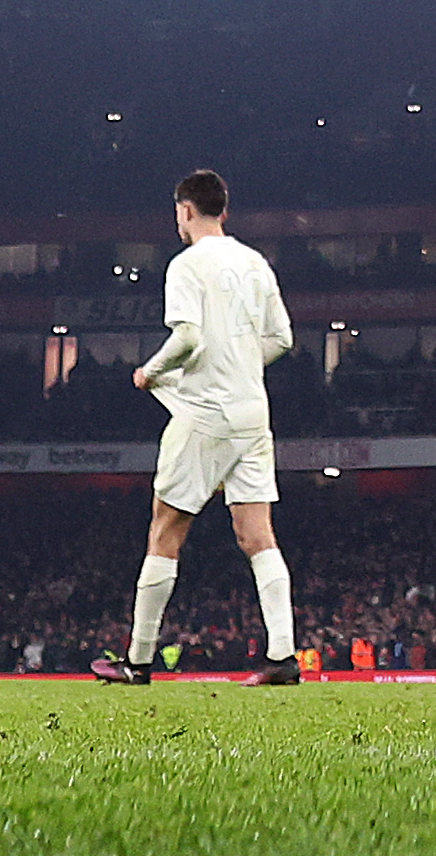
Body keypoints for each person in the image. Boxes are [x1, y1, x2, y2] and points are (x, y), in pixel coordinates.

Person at [91, 170, 300, 688]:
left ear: (185, 211)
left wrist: (151, 371)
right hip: (254, 412)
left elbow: (185, 336)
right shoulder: (256, 263)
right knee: (258, 535)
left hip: (206, 414)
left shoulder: (186, 265)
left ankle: (138, 661)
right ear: (223, 211)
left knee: (166, 529)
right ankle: (283, 657)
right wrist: (242, 365)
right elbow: (283, 339)